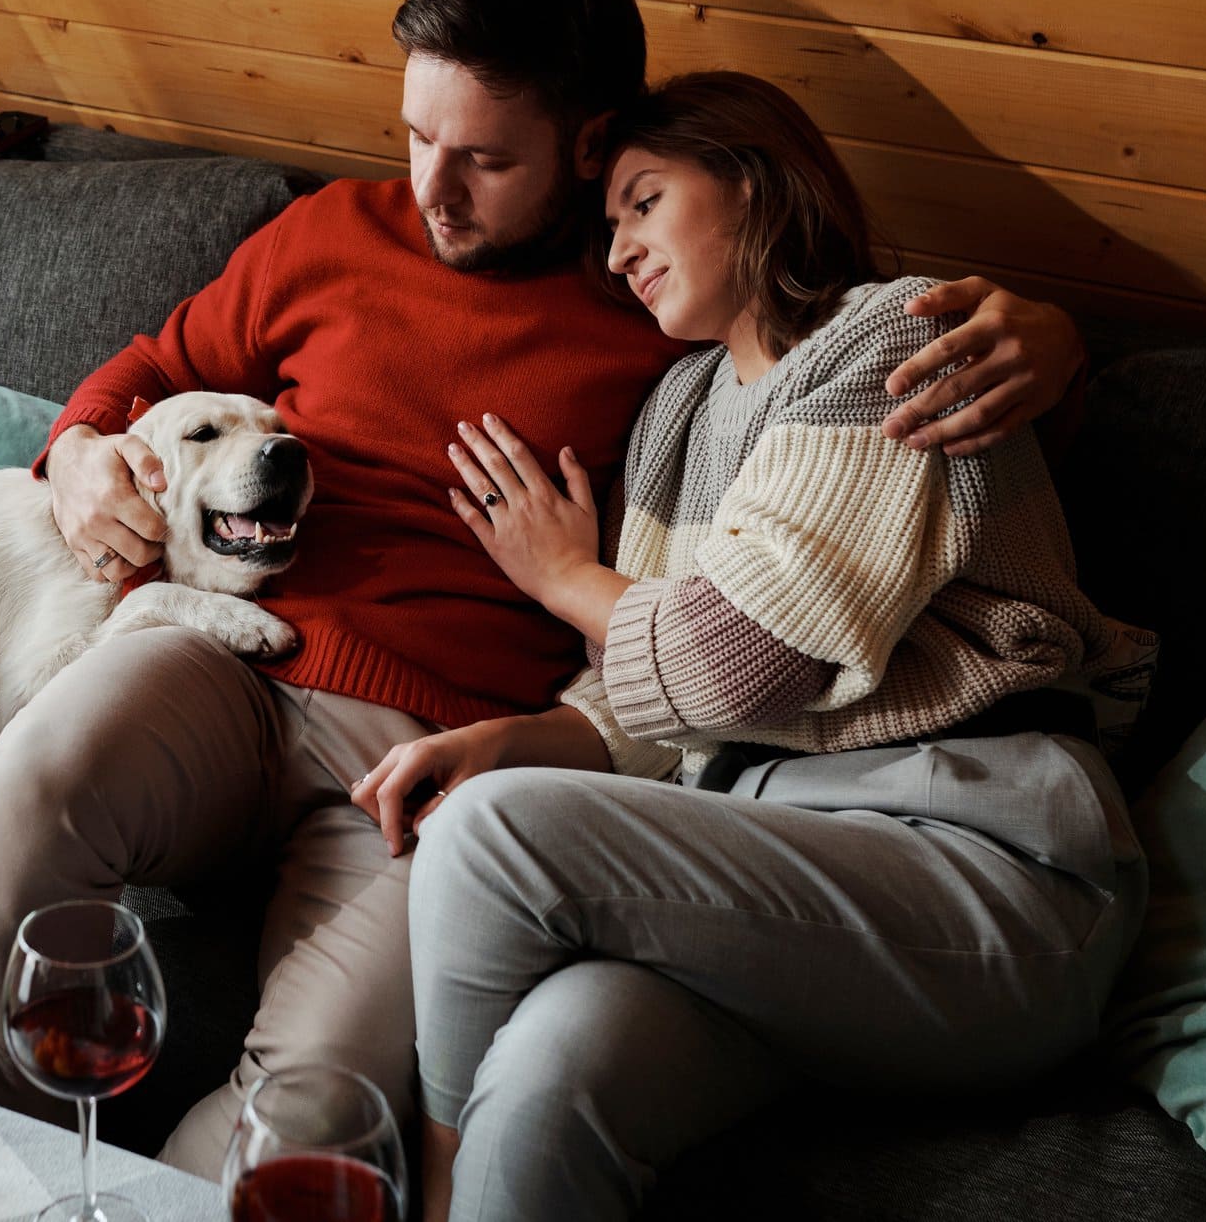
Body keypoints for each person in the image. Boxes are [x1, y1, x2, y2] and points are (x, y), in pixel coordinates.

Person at [0, 0, 1090, 1176]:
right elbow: (157, 369)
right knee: (21, 799)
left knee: (312, 1115)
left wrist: (1052, 340)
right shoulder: (335, 233)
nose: (432, 190)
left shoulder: (670, 332)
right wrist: (71, 451)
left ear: (589, 142)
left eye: (485, 159)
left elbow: (849, 418)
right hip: (230, 663)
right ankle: (25, 1168)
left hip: (442, 749)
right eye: (415, 137)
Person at [360, 71, 1156, 1221]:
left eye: (643, 200)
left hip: (984, 868)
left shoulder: (890, 332)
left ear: (749, 175)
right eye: (609, 227)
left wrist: (563, 574)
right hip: (779, 875)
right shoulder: (680, 406)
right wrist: (528, 731)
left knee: (494, 835)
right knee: (549, 1070)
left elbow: (745, 660)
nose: (621, 249)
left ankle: (426, 1195)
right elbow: (672, 701)